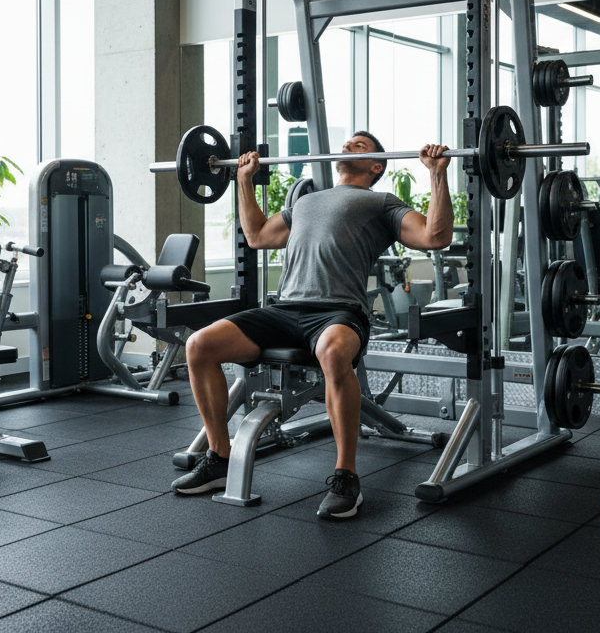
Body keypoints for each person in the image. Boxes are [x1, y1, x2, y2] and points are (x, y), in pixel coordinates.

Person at [171, 131, 453, 518]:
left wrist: (437, 174)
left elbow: (435, 236)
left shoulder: (381, 202)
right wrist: (243, 179)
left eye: (360, 145)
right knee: (199, 346)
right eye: (348, 142)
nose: (348, 145)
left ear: (376, 165)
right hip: (285, 309)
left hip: (338, 312)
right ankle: (219, 457)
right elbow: (256, 236)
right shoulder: (305, 201)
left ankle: (346, 477)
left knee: (334, 352)